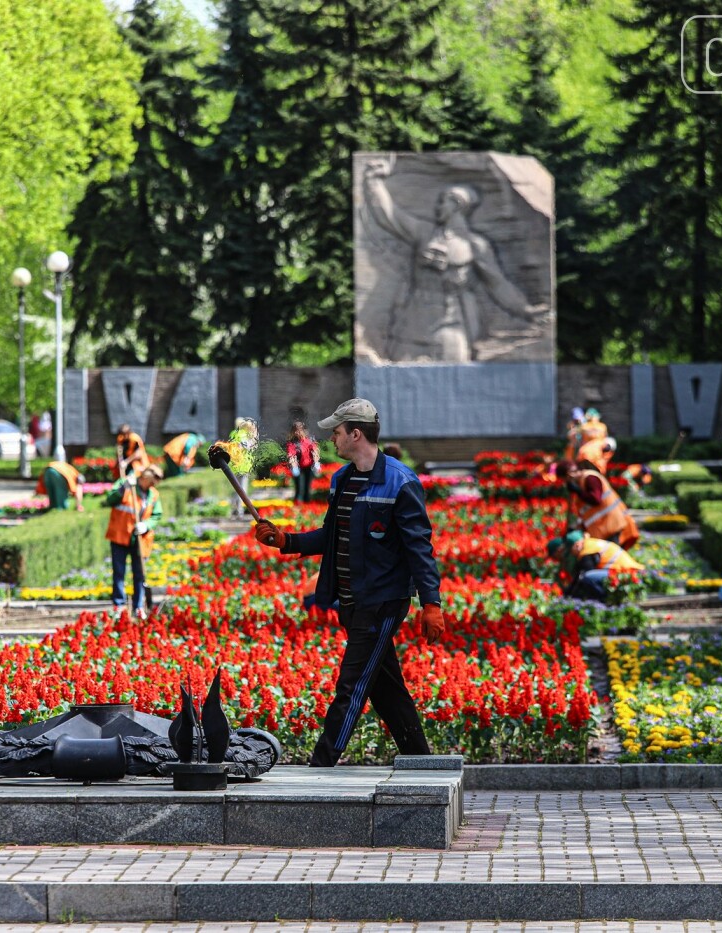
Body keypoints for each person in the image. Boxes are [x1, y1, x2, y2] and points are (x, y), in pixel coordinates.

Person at [253, 397, 445, 768]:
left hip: (383, 602)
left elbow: (419, 549)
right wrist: (285, 540)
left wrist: (431, 603)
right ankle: (424, 762)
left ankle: (321, 766)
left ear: (356, 434)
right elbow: (330, 536)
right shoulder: (342, 480)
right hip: (350, 601)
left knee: (352, 686)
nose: (332, 440)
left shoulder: (401, 483)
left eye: (337, 433)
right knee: (386, 687)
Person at [359, 158, 548, 362]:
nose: (438, 206)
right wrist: (373, 181)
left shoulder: (476, 245)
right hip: (414, 318)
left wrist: (526, 310)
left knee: (455, 366)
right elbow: (389, 215)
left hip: (452, 320)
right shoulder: (425, 232)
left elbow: (498, 284)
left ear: (457, 206)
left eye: (444, 201)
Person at [105, 465, 162, 617]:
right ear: (144, 478)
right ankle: (119, 606)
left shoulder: (153, 494)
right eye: (150, 482)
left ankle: (138, 607)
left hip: (140, 539)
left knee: (140, 574)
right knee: (119, 573)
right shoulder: (126, 484)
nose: (151, 486)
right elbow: (109, 500)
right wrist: (124, 488)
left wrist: (146, 525)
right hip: (120, 536)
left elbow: (156, 515)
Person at [559, 458, 639, 550]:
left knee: (611, 555)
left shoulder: (590, 478)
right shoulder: (582, 481)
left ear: (568, 475)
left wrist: (579, 491)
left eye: (564, 480)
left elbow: (596, 499)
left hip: (611, 523)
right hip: (604, 526)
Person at [546, 531, 645, 603]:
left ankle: (606, 601)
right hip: (624, 572)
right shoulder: (590, 544)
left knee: (588, 578)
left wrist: (569, 596)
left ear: (577, 545)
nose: (572, 554)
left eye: (571, 550)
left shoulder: (588, 550)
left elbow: (582, 575)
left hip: (627, 572)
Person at [284, 422, 320, 503]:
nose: (297, 433)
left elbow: (315, 451)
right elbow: (291, 454)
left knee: (307, 488)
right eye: (295, 431)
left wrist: (316, 462)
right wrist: (293, 465)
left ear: (303, 431)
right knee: (299, 487)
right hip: (298, 467)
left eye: (299, 431)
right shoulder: (292, 443)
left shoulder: (309, 441)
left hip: (309, 467)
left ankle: (307, 505)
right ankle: (298, 504)